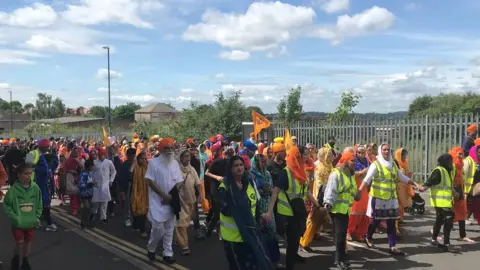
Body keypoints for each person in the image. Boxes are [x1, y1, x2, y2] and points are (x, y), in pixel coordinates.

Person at [357, 143, 423, 255]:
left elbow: (401, 177)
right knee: (376, 221)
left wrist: (415, 184)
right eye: (384, 150)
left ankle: (392, 246)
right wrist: (359, 191)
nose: (386, 151)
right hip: (378, 199)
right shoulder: (375, 165)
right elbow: (367, 179)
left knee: (392, 222)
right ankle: (368, 237)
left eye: (388, 149)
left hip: (391, 199)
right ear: (380, 151)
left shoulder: (392, 165)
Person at [265, 146, 319, 270]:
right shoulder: (286, 172)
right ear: (297, 156)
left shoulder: (301, 171)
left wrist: (317, 204)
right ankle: (289, 265)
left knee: (298, 237)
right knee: (293, 240)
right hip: (288, 213)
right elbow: (275, 192)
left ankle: (293, 257)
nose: (307, 157)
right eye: (304, 154)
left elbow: (307, 192)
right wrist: (269, 212)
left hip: (299, 211)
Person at [219, 155, 275, 270]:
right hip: (233, 238)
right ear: (230, 169)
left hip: (249, 235)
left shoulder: (249, 182)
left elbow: (256, 203)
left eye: (241, 165)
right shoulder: (224, 186)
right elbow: (225, 210)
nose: (239, 168)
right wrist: (239, 195)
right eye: (236, 166)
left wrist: (260, 216)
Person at [145, 138, 183, 264]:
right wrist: (163, 195)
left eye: (171, 148)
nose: (170, 151)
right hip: (157, 201)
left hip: (170, 201)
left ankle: (168, 252)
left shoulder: (175, 164)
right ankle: (151, 247)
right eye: (167, 148)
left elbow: (178, 181)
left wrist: (172, 196)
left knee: (169, 229)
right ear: (161, 149)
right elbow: (150, 181)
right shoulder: (153, 163)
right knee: (158, 228)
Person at [3, 163, 43, 270]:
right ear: (19, 175)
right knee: (20, 242)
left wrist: (37, 216)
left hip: (31, 222)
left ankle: (25, 261)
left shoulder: (35, 188)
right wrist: (14, 217)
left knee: (28, 242)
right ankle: (16, 258)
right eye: (26, 174)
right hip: (18, 223)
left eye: (30, 173)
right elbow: (6, 204)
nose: (29, 176)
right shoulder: (13, 191)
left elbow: (39, 203)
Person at [323, 151, 357, 270]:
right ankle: (338, 259)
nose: (354, 163)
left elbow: (352, 189)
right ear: (346, 161)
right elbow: (330, 191)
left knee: (342, 235)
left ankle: (342, 257)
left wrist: (356, 195)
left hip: (345, 210)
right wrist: (327, 207)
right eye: (352, 160)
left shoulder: (350, 174)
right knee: (340, 235)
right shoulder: (336, 174)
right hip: (336, 210)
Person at [422, 154, 460, 252]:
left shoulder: (446, 172)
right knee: (448, 221)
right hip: (441, 202)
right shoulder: (439, 170)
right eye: (450, 161)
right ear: (445, 162)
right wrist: (423, 188)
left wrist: (454, 193)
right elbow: (430, 181)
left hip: (445, 202)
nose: (451, 164)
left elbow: (448, 186)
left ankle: (434, 240)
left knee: (439, 220)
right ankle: (447, 244)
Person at [251, 154, 282, 268]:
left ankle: (274, 260)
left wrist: (269, 189)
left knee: (272, 232)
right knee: (260, 233)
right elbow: (252, 191)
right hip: (258, 206)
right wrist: (260, 189)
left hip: (268, 205)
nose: (263, 164)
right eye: (261, 162)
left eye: (265, 162)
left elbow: (272, 188)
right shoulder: (252, 174)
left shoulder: (267, 173)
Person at [300, 147, 332, 251]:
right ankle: (304, 242)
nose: (331, 157)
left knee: (319, 222)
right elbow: (318, 184)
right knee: (313, 221)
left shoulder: (330, 166)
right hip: (320, 197)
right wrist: (318, 200)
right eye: (328, 155)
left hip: (329, 196)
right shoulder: (319, 166)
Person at [175, 149, 203, 255]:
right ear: (181, 158)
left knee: (185, 223)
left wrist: (200, 194)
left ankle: (178, 239)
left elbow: (197, 183)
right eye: (186, 156)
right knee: (181, 223)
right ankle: (184, 246)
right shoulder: (176, 169)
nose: (188, 158)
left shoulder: (192, 169)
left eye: (189, 156)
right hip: (180, 200)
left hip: (191, 200)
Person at [26, 138, 57, 232]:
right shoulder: (33, 153)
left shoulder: (46, 155)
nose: (48, 148)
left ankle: (39, 220)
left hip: (44, 183)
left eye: (48, 146)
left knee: (43, 202)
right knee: (38, 202)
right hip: (34, 182)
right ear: (42, 146)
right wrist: (38, 163)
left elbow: (51, 167)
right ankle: (46, 221)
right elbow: (27, 164)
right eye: (47, 146)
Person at [449, 146, 474, 242]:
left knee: (462, 213)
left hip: (460, 190)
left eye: (462, 154)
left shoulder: (461, 165)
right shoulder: (453, 166)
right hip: (454, 191)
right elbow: (450, 180)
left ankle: (462, 236)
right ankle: (436, 231)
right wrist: (453, 191)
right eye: (458, 154)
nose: (460, 156)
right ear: (454, 154)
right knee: (449, 214)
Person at [346, 145, 370, 241]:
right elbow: (354, 174)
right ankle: (348, 232)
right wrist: (364, 171)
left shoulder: (367, 161)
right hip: (355, 188)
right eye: (359, 152)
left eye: (363, 152)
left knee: (365, 212)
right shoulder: (353, 161)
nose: (361, 154)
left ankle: (360, 233)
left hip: (364, 188)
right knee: (353, 212)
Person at [90, 147, 116, 225]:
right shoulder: (94, 162)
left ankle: (103, 217)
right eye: (99, 155)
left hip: (105, 185)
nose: (100, 156)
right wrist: (91, 181)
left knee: (104, 202)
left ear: (105, 155)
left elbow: (114, 171)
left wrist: (111, 180)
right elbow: (91, 172)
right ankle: (93, 213)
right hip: (96, 185)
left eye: (102, 155)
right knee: (95, 202)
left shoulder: (109, 162)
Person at [393, 148, 413, 236]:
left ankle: (400, 219)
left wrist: (408, 174)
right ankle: (396, 224)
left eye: (405, 154)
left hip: (404, 186)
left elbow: (404, 174)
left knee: (401, 205)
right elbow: (398, 175)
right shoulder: (396, 164)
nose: (405, 156)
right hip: (398, 187)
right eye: (403, 155)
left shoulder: (405, 164)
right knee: (398, 205)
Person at [131, 151, 149, 238]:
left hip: (146, 192)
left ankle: (141, 229)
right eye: (142, 159)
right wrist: (134, 163)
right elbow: (129, 174)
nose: (144, 160)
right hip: (136, 191)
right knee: (137, 210)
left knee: (144, 211)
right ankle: (140, 228)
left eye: (145, 158)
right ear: (138, 159)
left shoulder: (147, 167)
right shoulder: (135, 167)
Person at [118, 148, 137, 227]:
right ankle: (127, 218)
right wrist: (122, 190)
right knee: (126, 204)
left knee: (135, 204)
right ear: (127, 155)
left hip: (136, 187)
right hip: (127, 187)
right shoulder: (123, 166)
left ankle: (135, 220)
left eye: (133, 155)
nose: (132, 157)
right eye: (131, 155)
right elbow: (121, 178)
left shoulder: (138, 165)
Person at [78, 159, 95, 229]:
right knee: (86, 208)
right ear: (89, 166)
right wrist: (89, 184)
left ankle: (87, 222)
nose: (93, 167)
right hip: (84, 194)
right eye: (92, 166)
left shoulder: (89, 173)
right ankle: (83, 222)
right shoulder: (83, 174)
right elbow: (81, 184)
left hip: (90, 193)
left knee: (89, 209)